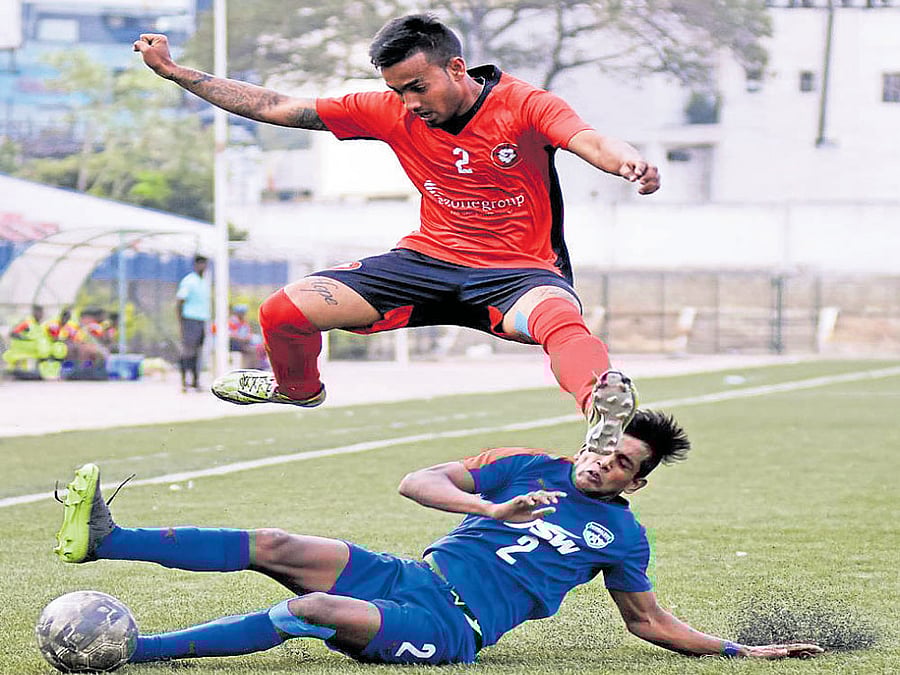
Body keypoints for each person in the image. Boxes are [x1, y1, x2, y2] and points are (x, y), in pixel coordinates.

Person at [134, 14, 655, 452]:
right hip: (425, 262)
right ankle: (298, 389)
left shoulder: (523, 104)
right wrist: (177, 73)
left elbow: (587, 138)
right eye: (397, 91)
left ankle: (602, 411)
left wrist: (628, 163)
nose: (408, 102)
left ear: (456, 67)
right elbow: (275, 106)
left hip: (517, 272)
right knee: (282, 312)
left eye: (417, 87)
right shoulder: (388, 111)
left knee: (560, 320)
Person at [53, 410, 823, 666]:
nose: (602, 460)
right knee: (278, 540)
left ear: (636, 481)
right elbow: (416, 481)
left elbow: (647, 621)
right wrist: (491, 510)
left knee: (320, 606)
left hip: (449, 626)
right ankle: (105, 539)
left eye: (621, 461)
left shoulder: (622, 537)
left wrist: (739, 651)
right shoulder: (527, 464)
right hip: (406, 577)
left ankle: (136, 652)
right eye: (603, 445)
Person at [175, 254, 211, 392]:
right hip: (190, 320)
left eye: (205, 264)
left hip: (201, 320)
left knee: (198, 351)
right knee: (187, 351)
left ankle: (196, 381)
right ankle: (184, 381)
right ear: (196, 265)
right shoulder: (189, 281)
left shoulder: (204, 281)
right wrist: (181, 323)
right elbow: (179, 301)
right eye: (201, 264)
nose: (203, 267)